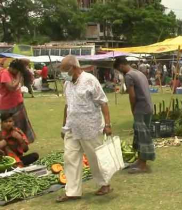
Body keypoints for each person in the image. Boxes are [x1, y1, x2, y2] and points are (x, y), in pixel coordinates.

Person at [57, 55, 113, 202]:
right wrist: (64, 126)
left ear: (74, 68)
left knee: (95, 158)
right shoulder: (67, 84)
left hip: (90, 128)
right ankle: (72, 192)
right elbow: (67, 105)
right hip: (72, 128)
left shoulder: (90, 80)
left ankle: (104, 184)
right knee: (70, 158)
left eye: (65, 71)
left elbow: (103, 102)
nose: (63, 74)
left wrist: (107, 124)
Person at [114, 57, 155, 174]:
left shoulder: (129, 76)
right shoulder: (139, 73)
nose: (119, 72)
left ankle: (143, 165)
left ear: (121, 66)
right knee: (139, 134)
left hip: (141, 108)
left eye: (118, 70)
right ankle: (140, 161)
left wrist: (133, 109)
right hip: (148, 107)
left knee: (143, 136)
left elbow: (132, 96)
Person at [0, 59, 35, 143]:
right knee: (11, 128)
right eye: (17, 71)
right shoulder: (5, 73)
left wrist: (20, 64)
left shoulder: (15, 72)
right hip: (8, 106)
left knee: (21, 126)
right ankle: (11, 147)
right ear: (12, 68)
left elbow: (26, 60)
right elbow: (11, 87)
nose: (18, 72)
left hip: (18, 104)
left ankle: (22, 144)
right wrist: (19, 77)